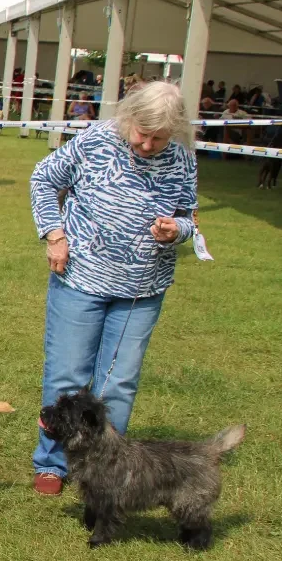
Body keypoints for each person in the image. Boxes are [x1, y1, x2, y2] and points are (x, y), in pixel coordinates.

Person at [28, 81, 198, 496]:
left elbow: (189, 217)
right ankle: (52, 463)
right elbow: (43, 179)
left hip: (142, 288)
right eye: (142, 133)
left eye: (159, 138)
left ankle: (106, 471)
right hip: (80, 278)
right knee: (67, 376)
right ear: (128, 118)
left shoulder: (182, 158)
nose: (148, 145)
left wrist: (177, 230)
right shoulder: (96, 140)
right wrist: (54, 234)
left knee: (118, 383)